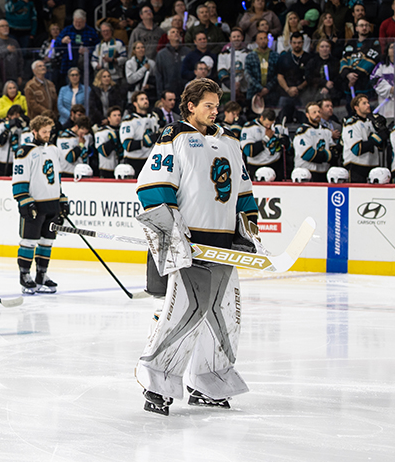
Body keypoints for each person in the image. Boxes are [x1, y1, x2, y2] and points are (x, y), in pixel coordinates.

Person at [134, 77, 261, 415]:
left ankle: (209, 382)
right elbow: (152, 188)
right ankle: (156, 384)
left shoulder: (231, 141)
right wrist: (173, 235)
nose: (215, 111)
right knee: (183, 316)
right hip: (191, 245)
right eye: (208, 105)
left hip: (224, 246)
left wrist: (247, 232)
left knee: (224, 319)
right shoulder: (174, 138)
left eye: (217, 105)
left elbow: (244, 194)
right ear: (190, 105)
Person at [12, 114, 67, 294]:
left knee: (47, 242)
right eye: (44, 132)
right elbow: (19, 178)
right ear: (34, 131)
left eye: (49, 131)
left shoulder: (53, 149)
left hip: (52, 205)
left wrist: (62, 198)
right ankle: (24, 275)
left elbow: (57, 177)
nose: (47, 134)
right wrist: (23, 200)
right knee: (29, 241)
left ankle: (41, 275)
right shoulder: (25, 151)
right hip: (34, 205)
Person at [341, 94, 385, 183]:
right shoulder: (351, 124)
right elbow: (357, 149)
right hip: (356, 167)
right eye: (364, 103)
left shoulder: (371, 123)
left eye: (368, 103)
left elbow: (381, 147)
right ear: (356, 107)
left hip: (372, 168)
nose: (368, 105)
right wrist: (377, 138)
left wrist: (383, 131)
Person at [293, 101, 335, 182]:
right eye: (314, 112)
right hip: (306, 174)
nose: (317, 114)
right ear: (307, 115)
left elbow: (333, 151)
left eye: (319, 112)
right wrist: (327, 156)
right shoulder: (303, 131)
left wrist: (330, 154)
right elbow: (307, 154)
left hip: (323, 173)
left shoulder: (326, 131)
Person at [242, 107, 287, 181]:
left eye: (271, 124)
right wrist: (266, 138)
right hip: (256, 167)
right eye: (267, 124)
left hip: (275, 165)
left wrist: (285, 141)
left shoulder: (278, 127)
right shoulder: (249, 127)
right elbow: (248, 151)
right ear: (262, 117)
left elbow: (288, 149)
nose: (269, 127)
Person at [120, 91, 158, 174]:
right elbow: (127, 145)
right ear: (135, 103)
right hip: (133, 162)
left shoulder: (153, 118)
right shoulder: (129, 120)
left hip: (149, 161)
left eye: (146, 99)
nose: (145, 101)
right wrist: (144, 142)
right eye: (142, 99)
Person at [0, 103, 26, 177]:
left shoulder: (20, 128)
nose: (17, 119)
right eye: (15, 116)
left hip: (15, 163)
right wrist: (7, 128)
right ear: (9, 115)